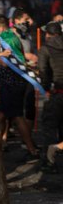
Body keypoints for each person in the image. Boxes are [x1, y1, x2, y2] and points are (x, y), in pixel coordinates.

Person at [0, 15, 39, 161]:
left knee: (16, 116)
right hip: (14, 82)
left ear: (0, 27)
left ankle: (31, 149)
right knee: (2, 115)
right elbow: (21, 55)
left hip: (11, 84)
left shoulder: (4, 40)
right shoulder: (14, 36)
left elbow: (6, 63)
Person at [39, 21, 63, 171]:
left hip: (58, 92)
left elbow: (43, 72)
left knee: (49, 126)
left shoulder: (46, 48)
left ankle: (50, 160)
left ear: (48, 34)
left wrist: (46, 87)